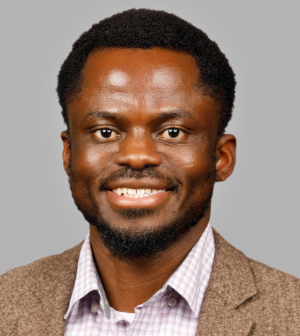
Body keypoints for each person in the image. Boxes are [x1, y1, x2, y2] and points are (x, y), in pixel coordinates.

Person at [0, 8, 299, 336]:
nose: (137, 156)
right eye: (105, 132)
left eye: (173, 132)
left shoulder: (291, 314)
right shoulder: (7, 302)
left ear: (221, 157)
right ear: (68, 153)